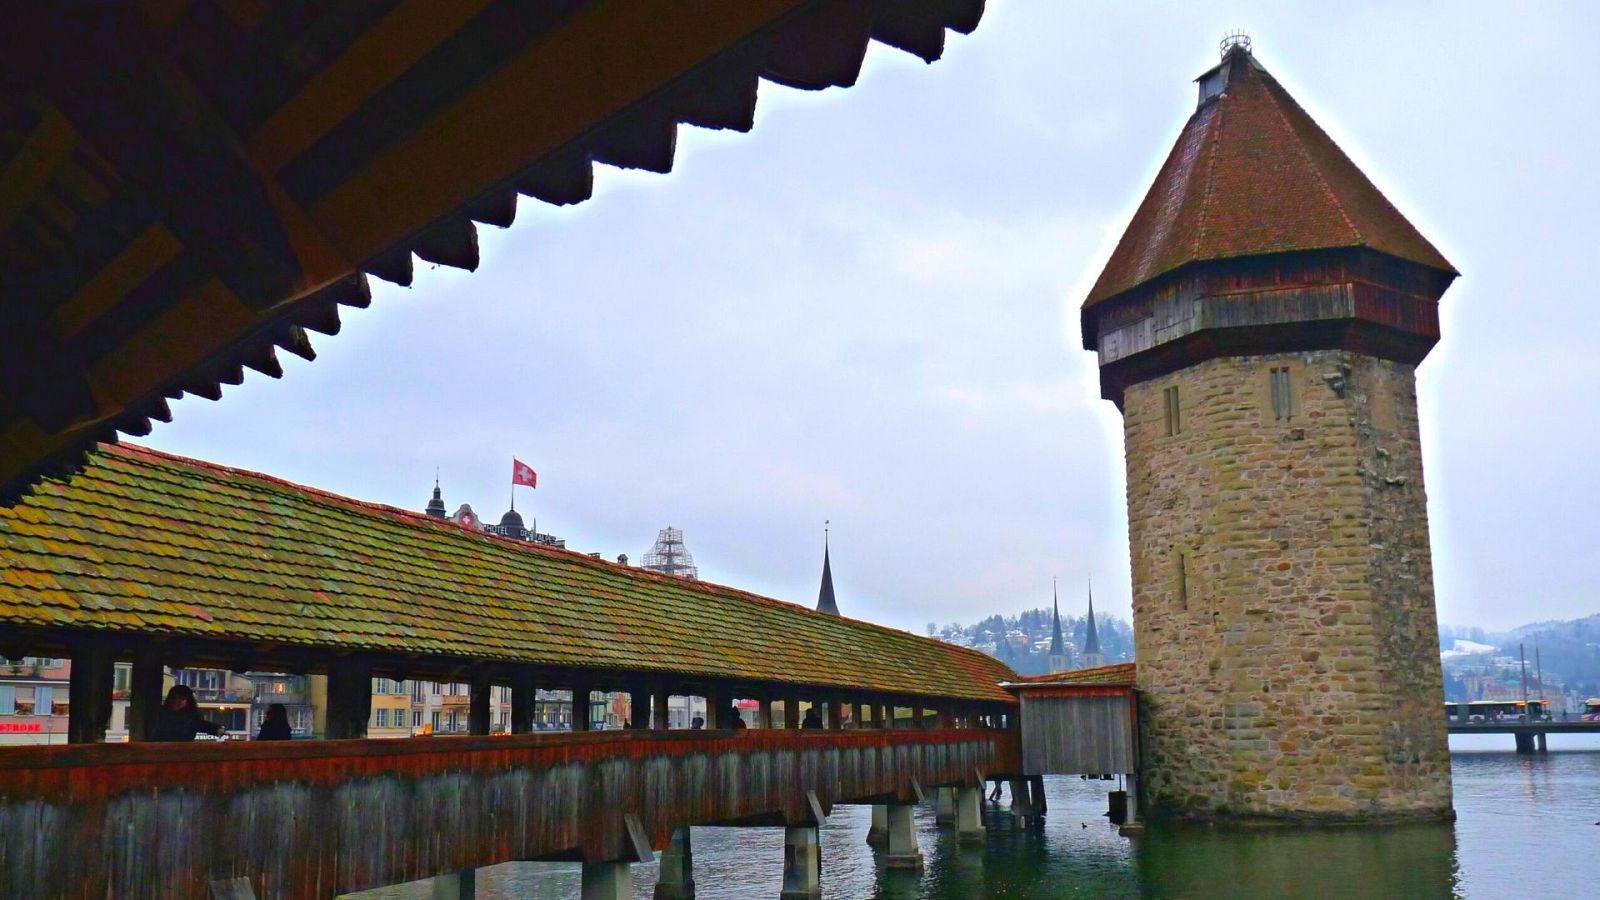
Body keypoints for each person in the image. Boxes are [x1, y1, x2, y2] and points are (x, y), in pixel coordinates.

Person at [151, 685, 226, 742]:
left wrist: (219, 730)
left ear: (188, 701)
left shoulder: (192, 717)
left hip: (183, 754)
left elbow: (204, 725)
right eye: (173, 697)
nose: (176, 701)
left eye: (181, 698)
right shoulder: (160, 714)